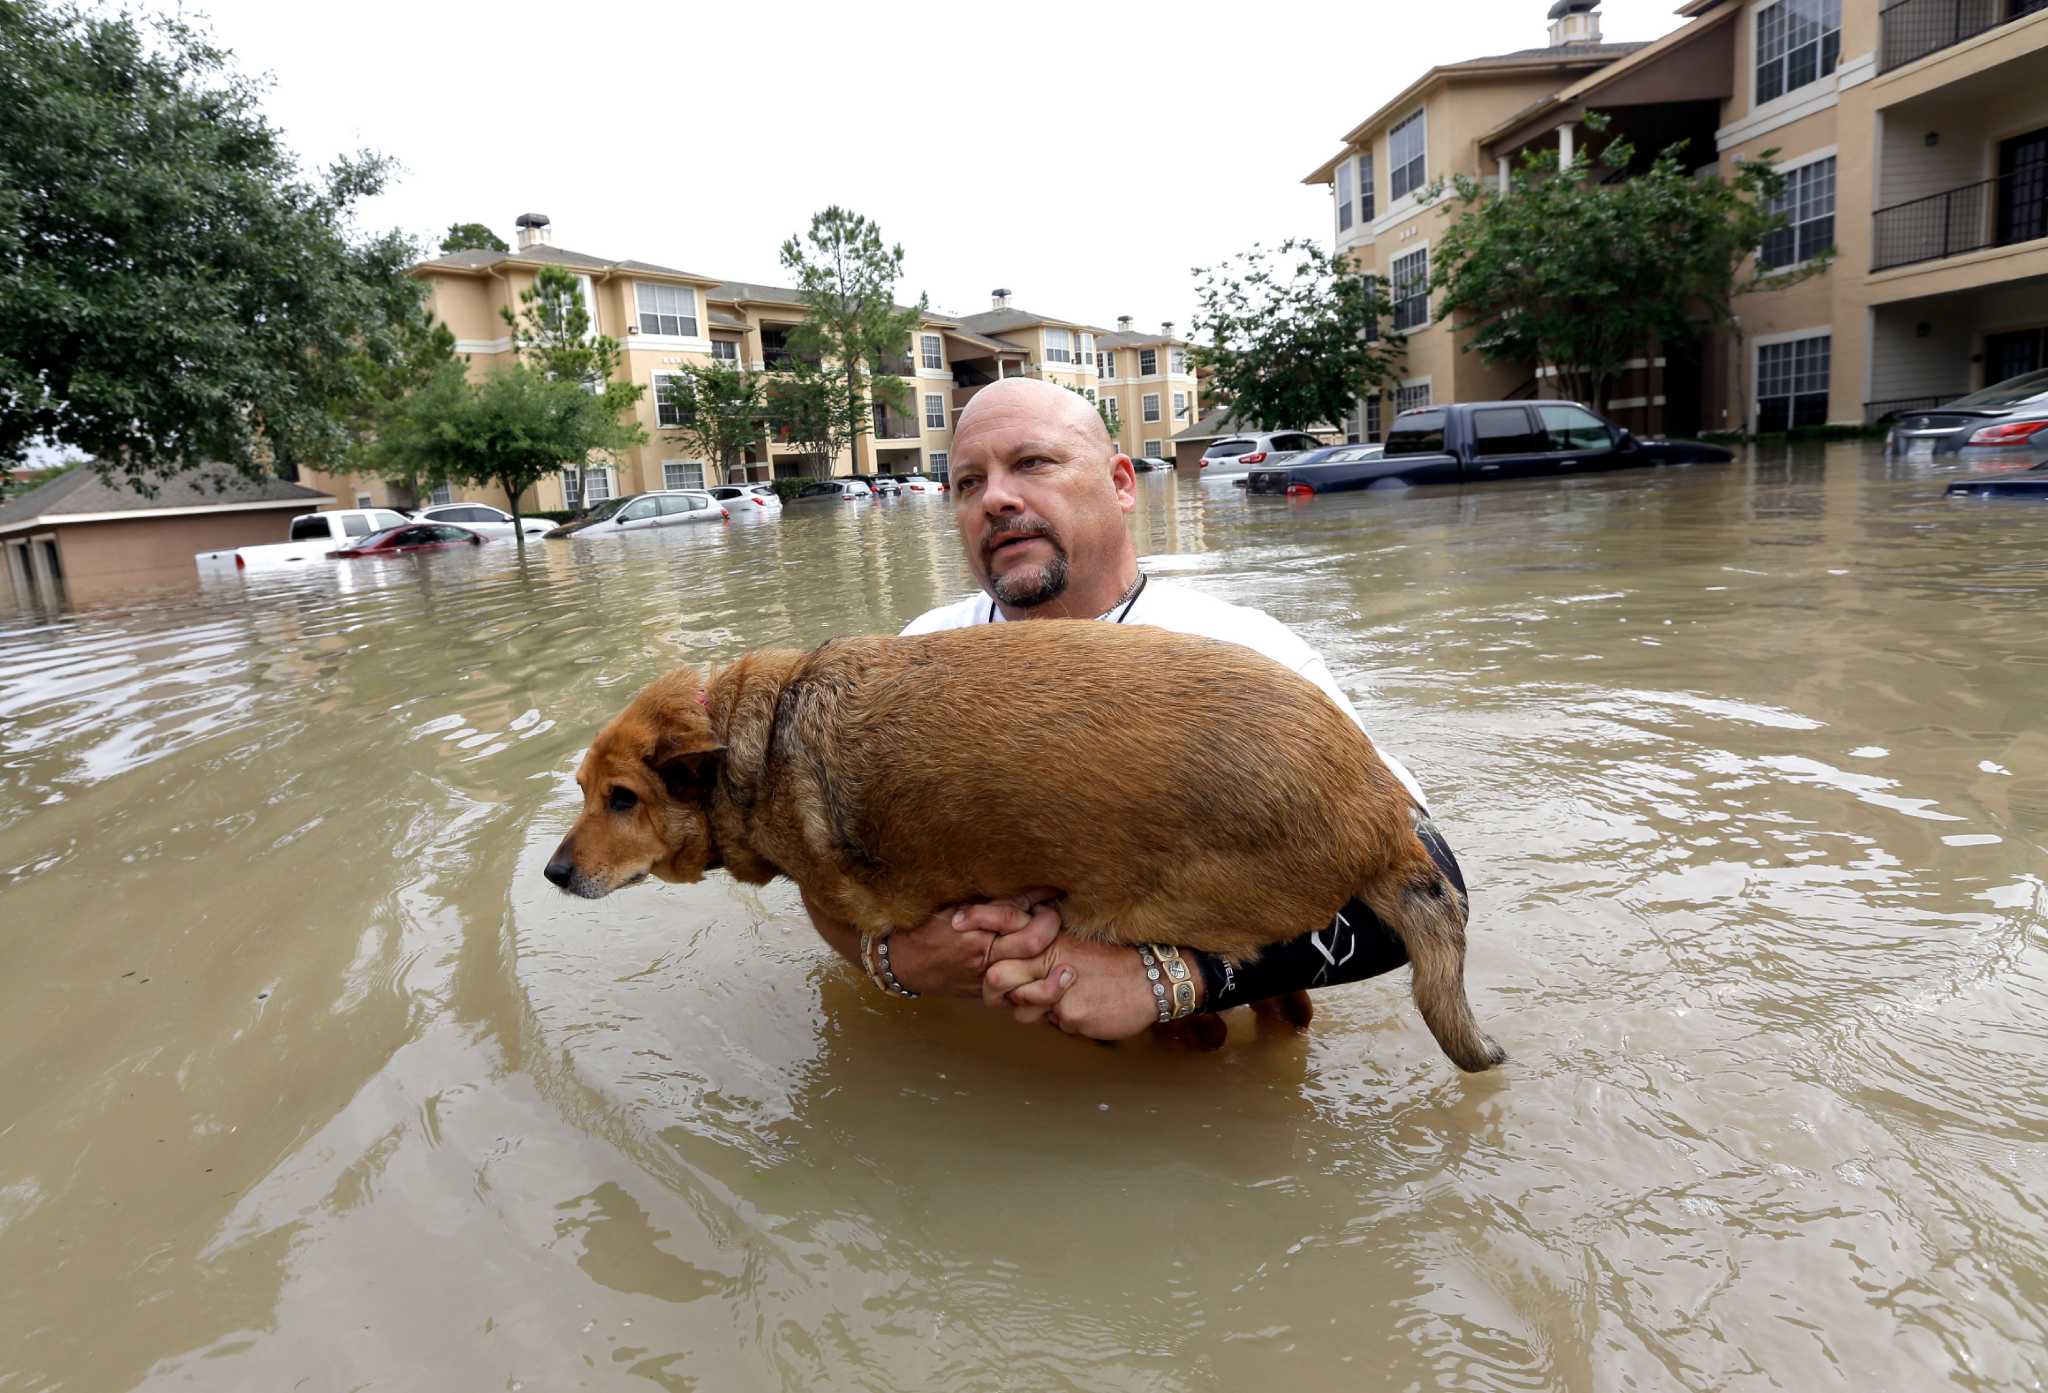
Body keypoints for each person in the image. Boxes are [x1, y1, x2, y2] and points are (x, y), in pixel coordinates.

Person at [801, 378, 1463, 1038]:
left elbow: (1427, 887)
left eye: (1032, 463)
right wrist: (896, 959)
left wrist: (1173, 979)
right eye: (968, 483)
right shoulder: (915, 658)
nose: (995, 497)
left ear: (1122, 484)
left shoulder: (1246, 655)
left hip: (1195, 1094)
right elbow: (817, 861)